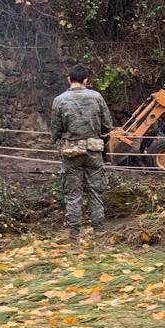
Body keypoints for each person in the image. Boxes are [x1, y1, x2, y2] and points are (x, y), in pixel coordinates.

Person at [50, 65, 114, 245]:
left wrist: (60, 142)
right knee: (96, 194)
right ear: (86, 81)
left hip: (71, 154)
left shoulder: (59, 100)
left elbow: (55, 129)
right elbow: (107, 125)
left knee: (73, 196)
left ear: (69, 79)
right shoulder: (97, 97)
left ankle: (74, 244)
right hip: (94, 152)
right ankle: (100, 242)